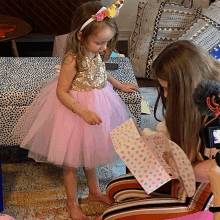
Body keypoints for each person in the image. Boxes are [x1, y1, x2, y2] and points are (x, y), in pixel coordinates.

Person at [12, 1, 139, 219]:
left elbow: (101, 72)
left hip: (98, 103)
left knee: (91, 152)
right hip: (75, 110)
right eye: (100, 43)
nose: (105, 48)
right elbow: (61, 93)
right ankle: (72, 203)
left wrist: (119, 85)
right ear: (81, 36)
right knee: (71, 162)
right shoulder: (72, 59)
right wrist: (82, 111)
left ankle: (94, 192)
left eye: (107, 43)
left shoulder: (96, 52)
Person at [102, 40, 220, 219]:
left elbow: (215, 169)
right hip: (181, 177)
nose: (164, 95)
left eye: (167, 89)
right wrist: (149, 142)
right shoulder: (191, 100)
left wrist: (179, 167)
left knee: (109, 216)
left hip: (201, 196)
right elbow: (171, 135)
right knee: (114, 190)